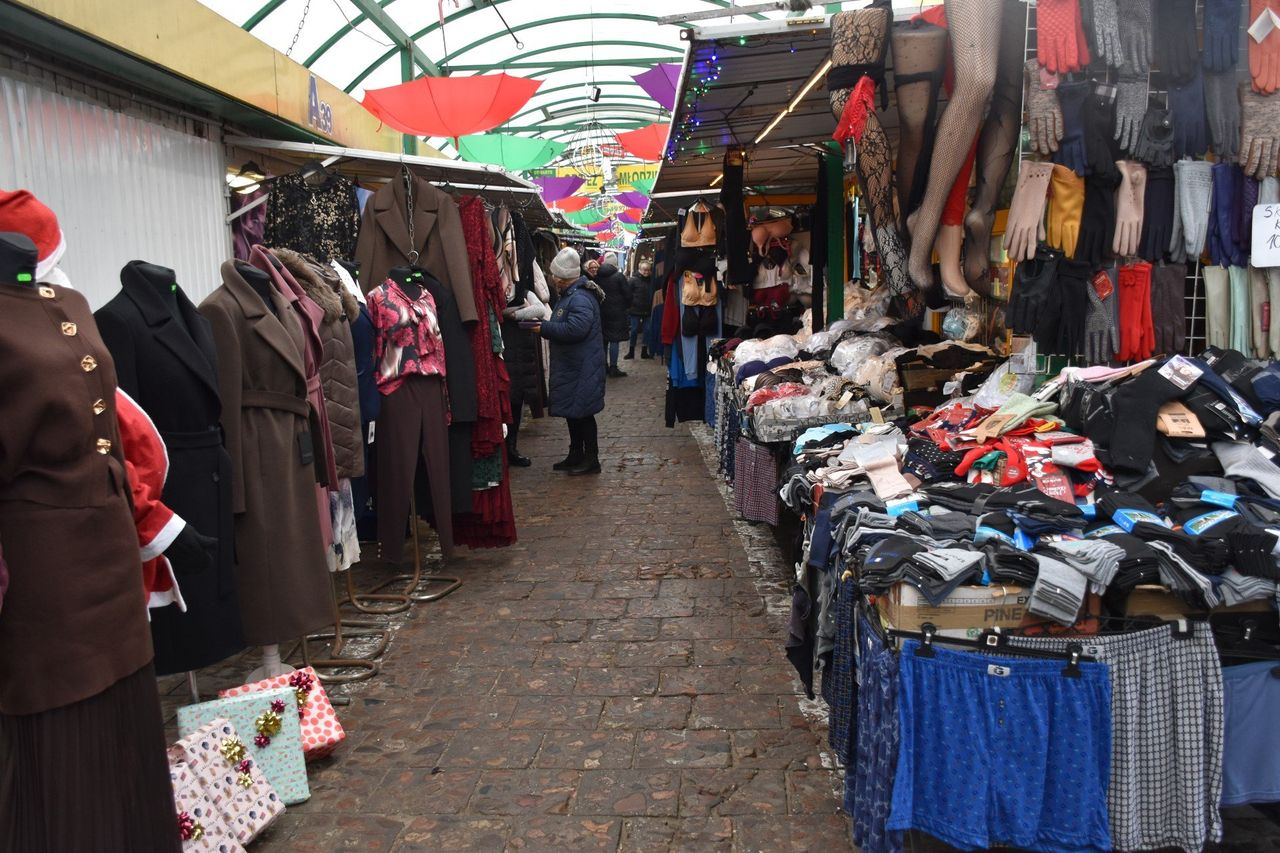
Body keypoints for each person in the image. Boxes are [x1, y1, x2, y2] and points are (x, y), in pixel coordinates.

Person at [531, 247, 606, 475]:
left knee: (583, 414)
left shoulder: (580, 297)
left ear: (564, 276)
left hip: (582, 366)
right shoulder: (572, 295)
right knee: (575, 414)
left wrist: (543, 328)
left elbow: (576, 329)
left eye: (555, 275)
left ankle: (591, 459)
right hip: (576, 365)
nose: (552, 278)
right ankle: (576, 454)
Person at [592, 251, 632, 378]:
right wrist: (626, 306)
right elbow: (628, 294)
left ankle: (604, 366)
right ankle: (614, 368)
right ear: (615, 263)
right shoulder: (619, 276)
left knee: (604, 340)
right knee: (614, 340)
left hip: (601, 311)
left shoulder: (597, 276)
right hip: (617, 312)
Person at [625, 260, 653, 360]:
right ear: (640, 269)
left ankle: (644, 351)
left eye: (648, 270)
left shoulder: (651, 280)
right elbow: (627, 294)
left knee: (647, 330)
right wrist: (631, 305)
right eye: (645, 270)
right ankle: (631, 351)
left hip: (647, 310)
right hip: (635, 309)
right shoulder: (633, 280)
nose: (646, 272)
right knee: (634, 330)